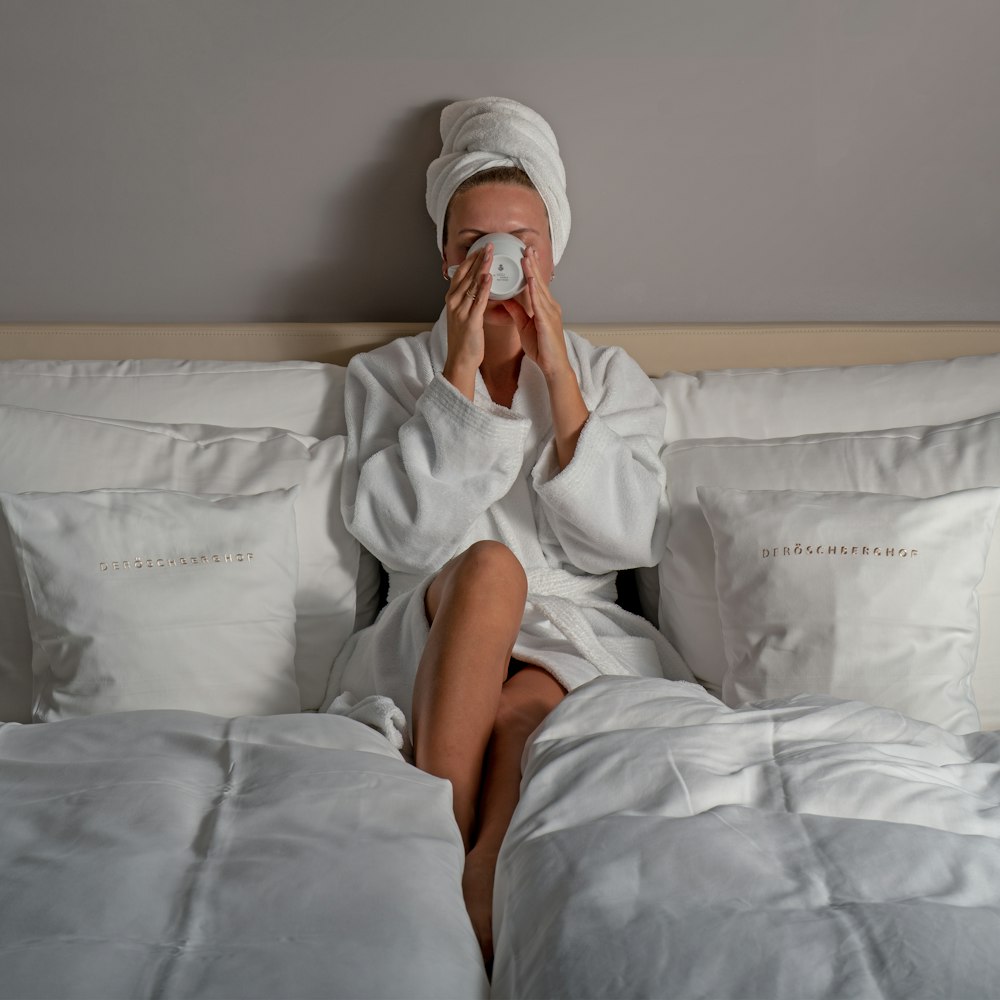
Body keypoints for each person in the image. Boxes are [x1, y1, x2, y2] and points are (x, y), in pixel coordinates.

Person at [324, 96, 690, 966]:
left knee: (526, 713)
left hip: (568, 637)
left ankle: (478, 876)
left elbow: (627, 539)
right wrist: (456, 376)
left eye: (519, 243)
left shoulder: (608, 374)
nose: (497, 262)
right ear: (447, 257)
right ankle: (437, 837)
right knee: (489, 567)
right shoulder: (387, 374)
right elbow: (403, 541)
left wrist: (558, 375)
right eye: (471, 246)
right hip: (439, 618)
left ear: (548, 251)